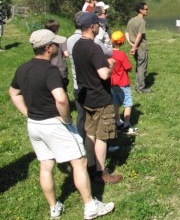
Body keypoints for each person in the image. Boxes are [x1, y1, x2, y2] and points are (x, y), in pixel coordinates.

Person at [8, 29, 115, 219]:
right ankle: (91, 206)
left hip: (34, 125)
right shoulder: (50, 70)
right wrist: (66, 118)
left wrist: (28, 113)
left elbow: (14, 93)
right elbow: (61, 99)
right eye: (55, 44)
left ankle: (54, 207)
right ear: (48, 48)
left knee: (46, 165)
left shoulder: (23, 68)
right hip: (53, 124)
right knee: (80, 162)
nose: (58, 46)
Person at [73, 12, 123, 184]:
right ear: (92, 27)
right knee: (102, 136)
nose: (98, 28)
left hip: (86, 97)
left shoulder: (77, 45)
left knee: (90, 133)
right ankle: (101, 172)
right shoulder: (93, 47)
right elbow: (103, 74)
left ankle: (91, 165)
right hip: (100, 97)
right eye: (97, 26)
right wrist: (110, 65)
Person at [110, 31, 139, 134]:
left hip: (112, 84)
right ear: (122, 42)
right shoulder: (121, 55)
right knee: (127, 104)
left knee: (115, 103)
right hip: (123, 83)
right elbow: (129, 68)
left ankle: (118, 122)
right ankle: (126, 124)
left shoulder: (107, 53)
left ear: (111, 41)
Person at [67, 11, 86, 139]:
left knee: (81, 115)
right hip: (88, 85)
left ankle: (81, 142)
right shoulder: (85, 40)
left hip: (76, 84)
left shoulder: (69, 39)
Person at [125, 2, 152, 93]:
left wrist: (131, 44)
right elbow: (139, 36)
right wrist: (135, 47)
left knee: (138, 65)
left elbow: (126, 33)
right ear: (140, 10)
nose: (148, 11)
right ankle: (140, 88)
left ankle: (138, 85)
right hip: (140, 47)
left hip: (134, 46)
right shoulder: (142, 21)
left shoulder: (131, 20)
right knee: (142, 67)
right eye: (146, 9)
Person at [44, 20, 70, 93]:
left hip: (47, 68)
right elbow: (66, 54)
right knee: (63, 90)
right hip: (60, 69)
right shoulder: (62, 39)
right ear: (56, 29)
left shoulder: (44, 40)